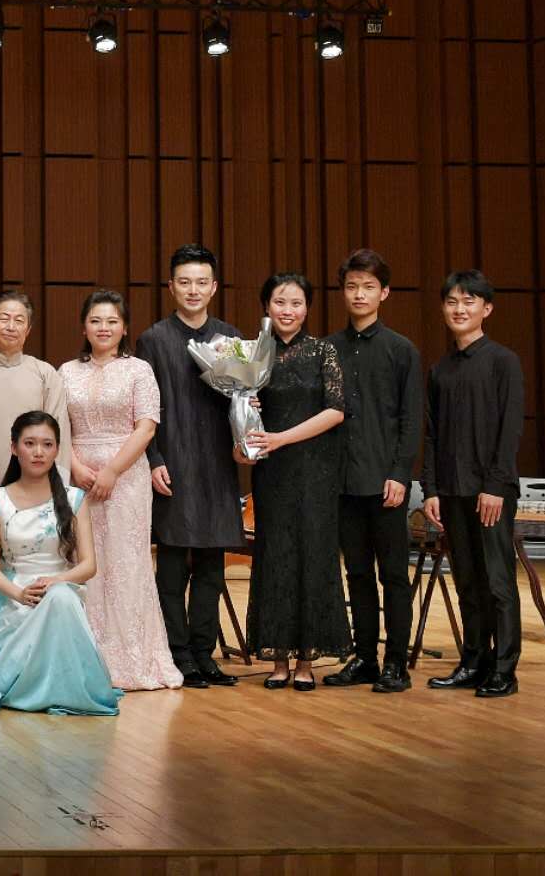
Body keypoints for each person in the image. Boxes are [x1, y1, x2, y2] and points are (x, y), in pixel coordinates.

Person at [60, 290, 182, 691]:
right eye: (95, 320)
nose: (104, 328)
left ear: (125, 327)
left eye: (112, 321)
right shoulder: (66, 372)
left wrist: (112, 470)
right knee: (82, 560)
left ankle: (133, 661)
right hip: (78, 477)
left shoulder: (139, 370)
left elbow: (146, 427)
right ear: (83, 327)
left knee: (126, 565)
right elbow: (59, 427)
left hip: (126, 479)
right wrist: (76, 467)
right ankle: (85, 658)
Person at [134, 244, 244, 687]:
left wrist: (248, 411)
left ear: (214, 287)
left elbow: (240, 399)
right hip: (172, 464)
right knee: (173, 567)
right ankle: (177, 654)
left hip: (217, 464)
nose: (193, 290)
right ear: (171, 286)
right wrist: (153, 459)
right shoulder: (153, 339)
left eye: (201, 282)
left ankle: (204, 653)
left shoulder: (229, 338)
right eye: (185, 282)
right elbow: (143, 408)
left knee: (212, 567)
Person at [237, 273, 350, 692]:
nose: (288, 311)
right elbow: (242, 412)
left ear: (307, 308)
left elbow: (336, 410)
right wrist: (244, 413)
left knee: (313, 558)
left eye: (296, 303)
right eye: (280, 302)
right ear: (266, 306)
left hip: (315, 472)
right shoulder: (254, 354)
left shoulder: (323, 351)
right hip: (272, 474)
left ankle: (306, 659)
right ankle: (279, 658)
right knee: (276, 559)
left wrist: (282, 438)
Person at [422, 269, 526, 699]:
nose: (459, 309)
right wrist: (431, 489)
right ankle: (473, 662)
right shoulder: (440, 369)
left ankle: (504, 669)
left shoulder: (503, 361)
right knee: (466, 581)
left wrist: (496, 486)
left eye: (469, 301)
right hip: (451, 491)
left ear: (487, 309)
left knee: (498, 582)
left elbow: (510, 428)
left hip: (490, 492)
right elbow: (432, 435)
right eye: (452, 302)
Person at [325, 249, 423, 693]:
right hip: (343, 482)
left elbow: (411, 419)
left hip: (386, 484)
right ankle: (364, 658)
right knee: (358, 574)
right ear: (343, 292)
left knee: (394, 577)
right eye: (352, 286)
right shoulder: (329, 349)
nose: (359, 294)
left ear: (384, 293)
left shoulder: (401, 350)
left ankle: (396, 663)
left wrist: (400, 473)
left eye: (368, 287)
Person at [0, 411, 120, 715]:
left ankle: (63, 689)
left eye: (47, 444)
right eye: (29, 443)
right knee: (56, 599)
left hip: (61, 589)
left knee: (60, 599)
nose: (38, 452)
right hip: (16, 596)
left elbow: (89, 565)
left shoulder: (74, 498)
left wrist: (57, 582)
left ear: (57, 450)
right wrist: (18, 593)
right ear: (14, 448)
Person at [0, 290, 71, 491]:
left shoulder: (46, 375)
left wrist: (59, 489)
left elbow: (60, 435)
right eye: (4, 319)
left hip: (38, 487)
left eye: (19, 321)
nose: (11, 327)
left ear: (28, 329)